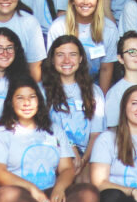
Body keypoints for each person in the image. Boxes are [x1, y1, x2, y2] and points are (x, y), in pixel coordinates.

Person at [0, 78, 101, 202]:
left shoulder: (54, 130)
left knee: (89, 193)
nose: (26, 103)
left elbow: (67, 169)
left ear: (39, 101)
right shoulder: (0, 133)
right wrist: (32, 189)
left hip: (49, 197)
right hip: (17, 198)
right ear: (11, 102)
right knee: (7, 196)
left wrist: (59, 188)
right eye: (20, 98)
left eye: (32, 97)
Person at [41, 35, 106, 181]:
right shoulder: (41, 91)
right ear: (52, 59)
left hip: (86, 155)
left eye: (73, 55)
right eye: (60, 55)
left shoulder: (94, 91)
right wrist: (70, 149)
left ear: (81, 58)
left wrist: (84, 160)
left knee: (87, 183)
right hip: (54, 152)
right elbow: (42, 129)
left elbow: (96, 134)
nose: (67, 60)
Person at [47, 0, 119, 91]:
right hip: (63, 88)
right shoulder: (58, 27)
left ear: (98, 0)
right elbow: (52, 68)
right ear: (72, 0)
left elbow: (106, 69)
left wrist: (101, 97)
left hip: (95, 88)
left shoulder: (109, 28)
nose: (86, 2)